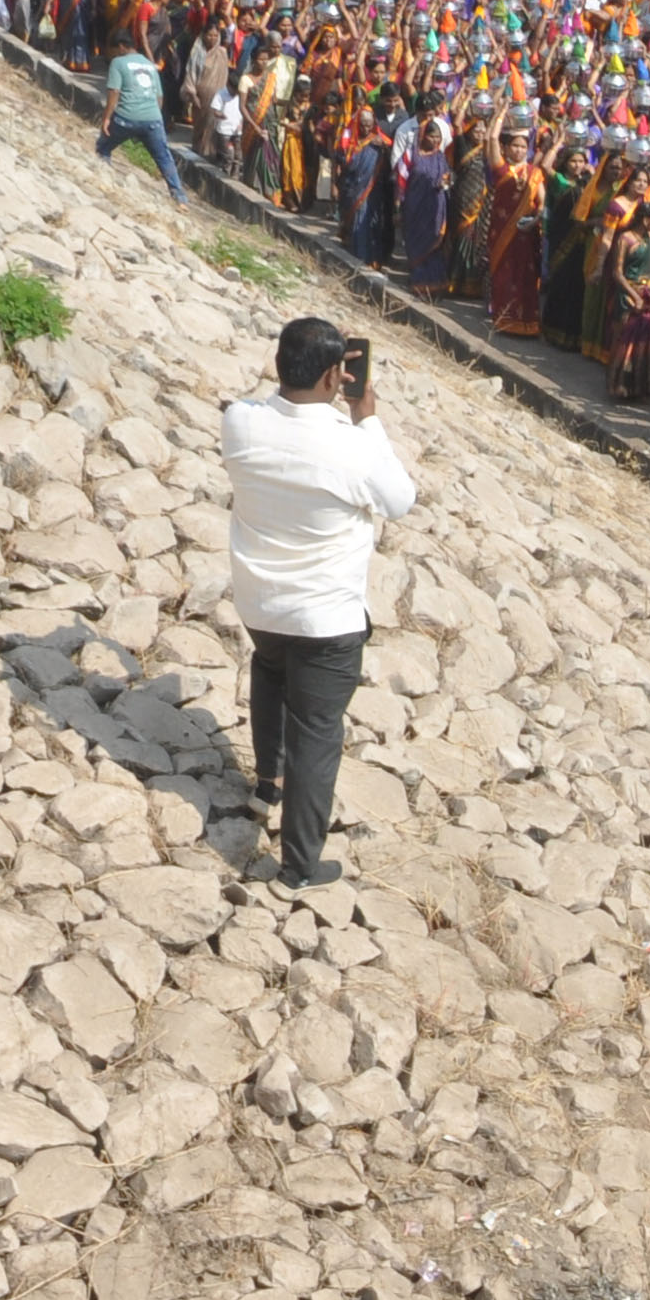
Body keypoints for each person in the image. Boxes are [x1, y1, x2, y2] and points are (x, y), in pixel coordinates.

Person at [223, 317, 417, 892]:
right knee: (316, 731)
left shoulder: (240, 422)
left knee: (270, 672)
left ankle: (267, 787)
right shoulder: (351, 447)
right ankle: (299, 868)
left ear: (278, 364)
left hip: (260, 603)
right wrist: (367, 416)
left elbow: (269, 409)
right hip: (326, 620)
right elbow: (399, 500)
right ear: (336, 377)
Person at [98, 35, 188, 200]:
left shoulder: (118, 63)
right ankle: (179, 197)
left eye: (113, 50)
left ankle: (104, 180)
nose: (113, 54)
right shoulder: (149, 64)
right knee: (164, 158)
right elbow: (159, 97)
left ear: (121, 46)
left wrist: (107, 119)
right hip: (153, 118)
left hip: (125, 118)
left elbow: (114, 92)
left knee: (103, 147)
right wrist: (154, 118)